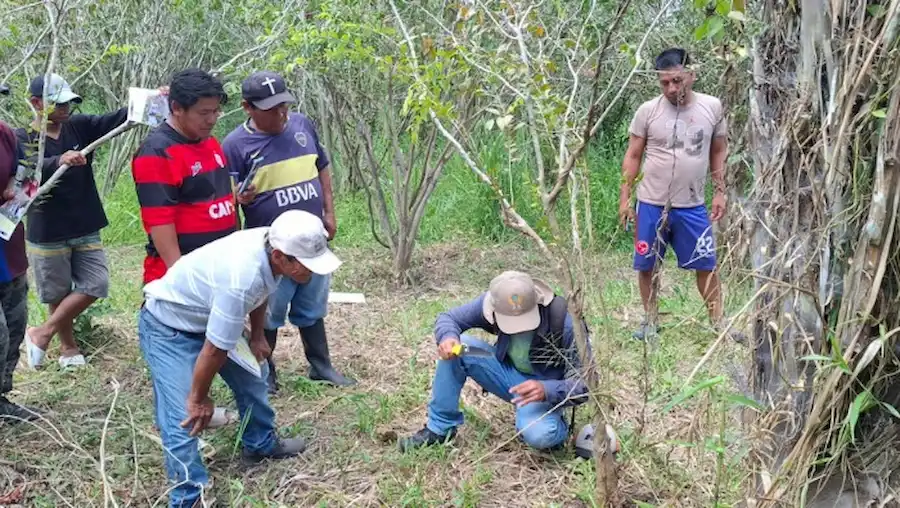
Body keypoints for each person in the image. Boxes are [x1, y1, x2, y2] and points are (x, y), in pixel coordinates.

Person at [139, 209, 340, 507]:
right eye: (305, 265)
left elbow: (262, 290)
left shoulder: (268, 245)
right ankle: (189, 497)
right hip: (169, 327)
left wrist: (258, 335)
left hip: (210, 316)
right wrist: (199, 398)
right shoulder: (240, 277)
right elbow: (214, 350)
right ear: (281, 257)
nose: (311, 272)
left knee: (253, 378)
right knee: (184, 415)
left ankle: (259, 443)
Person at [221, 71, 352, 392]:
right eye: (271, 108)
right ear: (247, 108)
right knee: (269, 312)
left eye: (284, 106)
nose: (281, 114)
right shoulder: (235, 145)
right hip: (273, 248)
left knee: (312, 304)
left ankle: (321, 366)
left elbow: (322, 168)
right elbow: (228, 198)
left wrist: (329, 213)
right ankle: (266, 374)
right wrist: (239, 199)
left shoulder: (302, 125)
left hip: (312, 239)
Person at [399, 271, 593, 452]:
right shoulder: (491, 304)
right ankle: (439, 429)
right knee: (460, 347)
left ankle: (558, 424)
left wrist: (546, 390)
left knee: (541, 435)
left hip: (546, 388)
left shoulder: (565, 321)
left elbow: (586, 382)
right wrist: (448, 337)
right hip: (505, 371)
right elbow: (449, 318)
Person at [617, 48, 734, 341]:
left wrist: (721, 192)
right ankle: (650, 321)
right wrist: (625, 198)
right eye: (665, 82)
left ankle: (718, 324)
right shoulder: (648, 111)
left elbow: (718, 151)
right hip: (651, 203)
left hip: (692, 204)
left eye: (678, 81)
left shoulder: (712, 107)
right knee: (647, 264)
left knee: (706, 264)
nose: (672, 88)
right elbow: (632, 155)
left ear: (692, 75)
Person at [17, 73, 129, 369]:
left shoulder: (79, 127)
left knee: (96, 283)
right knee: (57, 291)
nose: (67, 108)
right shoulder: (22, 139)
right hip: (47, 228)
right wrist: (59, 161)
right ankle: (69, 348)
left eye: (70, 102)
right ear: (36, 103)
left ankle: (41, 332)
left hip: (84, 224)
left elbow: (118, 118)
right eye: (59, 103)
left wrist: (156, 98)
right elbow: (25, 172)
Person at [132, 68, 236, 285]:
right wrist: (181, 278)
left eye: (216, 111)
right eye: (203, 113)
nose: (212, 119)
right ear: (177, 108)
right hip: (184, 276)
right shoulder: (157, 152)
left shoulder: (209, 142)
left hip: (220, 267)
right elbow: (160, 222)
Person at [0, 87, 36, 420]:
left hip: (8, 247)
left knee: (14, 323)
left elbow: (23, 173)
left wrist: (17, 188)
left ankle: (2, 398)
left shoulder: (6, 135)